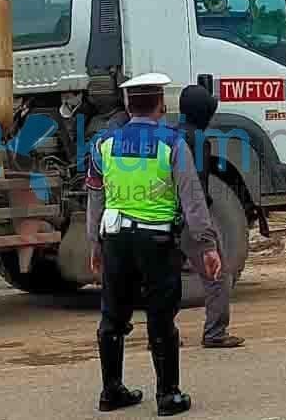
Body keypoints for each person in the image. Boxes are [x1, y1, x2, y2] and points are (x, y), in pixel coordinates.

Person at [86, 73, 222, 416]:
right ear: (162, 104)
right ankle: (167, 395)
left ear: (128, 105)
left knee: (113, 316)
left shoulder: (104, 143)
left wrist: (95, 244)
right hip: (156, 242)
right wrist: (207, 245)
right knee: (161, 317)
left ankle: (111, 390)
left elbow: (95, 198)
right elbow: (192, 200)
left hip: (115, 240)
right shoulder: (172, 144)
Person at [176, 85, 245, 348]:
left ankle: (161, 333)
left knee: (165, 280)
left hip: (167, 219)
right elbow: (198, 186)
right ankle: (215, 332)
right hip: (192, 220)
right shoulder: (199, 140)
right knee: (217, 274)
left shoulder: (171, 136)